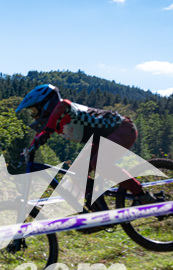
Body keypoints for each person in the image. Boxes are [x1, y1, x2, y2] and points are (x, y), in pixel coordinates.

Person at [15, 84, 155, 207]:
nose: (33, 116)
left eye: (34, 111)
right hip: (102, 139)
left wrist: (47, 131)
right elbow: (38, 135)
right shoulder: (54, 121)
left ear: (46, 105)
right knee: (77, 172)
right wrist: (28, 151)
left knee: (99, 164)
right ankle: (96, 205)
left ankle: (142, 195)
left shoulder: (65, 109)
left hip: (123, 129)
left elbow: (64, 104)